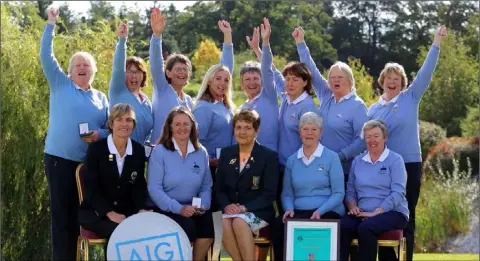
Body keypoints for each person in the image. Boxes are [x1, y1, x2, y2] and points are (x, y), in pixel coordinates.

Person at [368, 26, 447, 261]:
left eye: (397, 79)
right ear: (382, 81)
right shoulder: (373, 109)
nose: (392, 82)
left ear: (402, 83)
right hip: (381, 167)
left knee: (407, 215)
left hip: (409, 165)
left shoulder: (410, 98)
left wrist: (436, 44)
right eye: (388, 78)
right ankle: (387, 257)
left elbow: (425, 73)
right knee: (381, 212)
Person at [40, 7, 109, 261]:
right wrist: (51, 24)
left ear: (93, 71)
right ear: (69, 71)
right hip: (58, 160)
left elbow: (108, 127)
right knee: (61, 218)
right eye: (77, 65)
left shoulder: (101, 98)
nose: (82, 67)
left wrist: (100, 135)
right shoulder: (60, 84)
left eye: (86, 65)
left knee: (82, 217)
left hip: (86, 166)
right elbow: (46, 56)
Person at [293, 26, 368, 182]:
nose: (335, 80)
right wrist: (301, 43)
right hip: (320, 168)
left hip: (345, 171)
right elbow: (311, 70)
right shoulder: (327, 96)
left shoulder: (358, 106)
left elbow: (361, 142)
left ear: (349, 80)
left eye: (339, 77)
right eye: (332, 77)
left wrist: (339, 156)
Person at [149, 9, 233, 144]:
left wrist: (227, 39)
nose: (182, 72)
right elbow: (156, 64)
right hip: (161, 153)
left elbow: (224, 71)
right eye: (178, 69)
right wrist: (157, 36)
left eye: (185, 69)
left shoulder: (189, 101)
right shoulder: (162, 90)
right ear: (168, 73)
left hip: (183, 155)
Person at [271, 112, 345, 261]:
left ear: (321, 133)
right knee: (278, 226)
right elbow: (287, 194)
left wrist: (320, 211)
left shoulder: (332, 157)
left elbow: (338, 193)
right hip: (299, 211)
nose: (309, 133)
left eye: (314, 129)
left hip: (327, 211)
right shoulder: (292, 160)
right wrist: (289, 209)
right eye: (305, 129)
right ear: (300, 133)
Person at [147, 107, 214, 261]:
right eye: (177, 124)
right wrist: (179, 208)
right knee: (188, 227)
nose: (182, 128)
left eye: (186, 124)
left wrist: (203, 205)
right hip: (167, 209)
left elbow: (206, 185)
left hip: (194, 209)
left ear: (192, 127)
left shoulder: (201, 152)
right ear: (170, 127)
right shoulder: (160, 152)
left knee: (211, 225)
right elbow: (154, 189)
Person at [339, 120, 409, 261]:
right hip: (363, 212)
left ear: (385, 138)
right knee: (342, 226)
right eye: (368, 136)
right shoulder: (357, 161)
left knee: (366, 228)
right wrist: (353, 207)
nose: (372, 140)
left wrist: (376, 212)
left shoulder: (395, 160)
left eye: (376, 136)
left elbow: (398, 192)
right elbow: (351, 190)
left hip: (393, 212)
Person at [79, 104, 149, 242]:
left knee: (145, 230)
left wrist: (141, 209)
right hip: (97, 212)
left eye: (129, 120)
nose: (124, 124)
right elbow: (91, 187)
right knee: (120, 232)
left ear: (133, 125)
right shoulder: (96, 149)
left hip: (126, 213)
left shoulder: (138, 150)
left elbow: (139, 185)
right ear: (111, 123)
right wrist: (109, 212)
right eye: (119, 119)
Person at [215, 110, 279, 261]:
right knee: (221, 220)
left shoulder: (268, 156)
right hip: (230, 210)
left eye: (248, 128)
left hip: (258, 211)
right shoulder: (226, 153)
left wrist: (244, 208)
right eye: (238, 127)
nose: (242, 132)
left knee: (239, 221)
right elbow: (218, 189)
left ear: (256, 130)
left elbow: (269, 194)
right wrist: (226, 206)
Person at [192, 20, 236, 180]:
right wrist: (209, 161)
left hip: (226, 167)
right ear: (209, 80)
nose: (222, 83)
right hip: (209, 169)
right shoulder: (204, 108)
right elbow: (195, 142)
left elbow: (227, 66)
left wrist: (228, 36)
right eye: (218, 79)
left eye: (226, 80)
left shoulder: (224, 106)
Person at [237, 19, 279, 152]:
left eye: (256, 78)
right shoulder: (242, 108)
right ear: (242, 83)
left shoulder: (269, 96)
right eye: (247, 79)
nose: (252, 82)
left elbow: (267, 68)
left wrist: (263, 44)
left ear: (262, 80)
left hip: (270, 159)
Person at [108, 22, 153, 144]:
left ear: (143, 76)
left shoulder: (147, 101)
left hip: (139, 156)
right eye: (130, 72)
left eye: (138, 72)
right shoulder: (118, 91)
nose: (134, 75)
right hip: (118, 152)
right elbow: (118, 67)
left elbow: (149, 132)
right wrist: (122, 41)